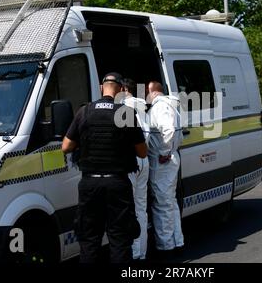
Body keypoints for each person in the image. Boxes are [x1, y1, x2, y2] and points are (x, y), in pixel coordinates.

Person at [62, 72, 147, 263]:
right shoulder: (125, 113)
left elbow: (66, 146)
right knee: (119, 239)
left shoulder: (84, 111)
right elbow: (142, 153)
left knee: (89, 239)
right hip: (117, 184)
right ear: (120, 90)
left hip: (90, 184)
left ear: (102, 87)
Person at [146, 81, 184, 257]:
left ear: (153, 92)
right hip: (169, 158)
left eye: (146, 92)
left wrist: (164, 151)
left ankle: (166, 246)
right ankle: (177, 240)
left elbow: (168, 129)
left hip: (162, 160)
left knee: (162, 204)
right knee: (169, 202)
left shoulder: (160, 107)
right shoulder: (170, 105)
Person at [121, 78, 150, 261]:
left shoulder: (123, 107)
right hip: (143, 159)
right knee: (141, 208)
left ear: (123, 89)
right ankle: (141, 252)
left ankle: (133, 252)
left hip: (130, 161)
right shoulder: (143, 107)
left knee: (128, 209)